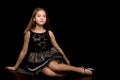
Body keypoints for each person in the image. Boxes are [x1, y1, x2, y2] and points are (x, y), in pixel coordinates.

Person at [5, 7, 94, 77]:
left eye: (44, 16)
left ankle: (82, 70)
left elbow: (57, 47)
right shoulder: (29, 33)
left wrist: (66, 58)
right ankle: (71, 73)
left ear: (46, 19)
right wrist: (15, 67)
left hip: (49, 56)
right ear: (34, 19)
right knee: (50, 74)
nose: (42, 18)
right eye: (39, 16)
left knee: (54, 67)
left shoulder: (49, 33)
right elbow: (23, 51)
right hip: (37, 60)